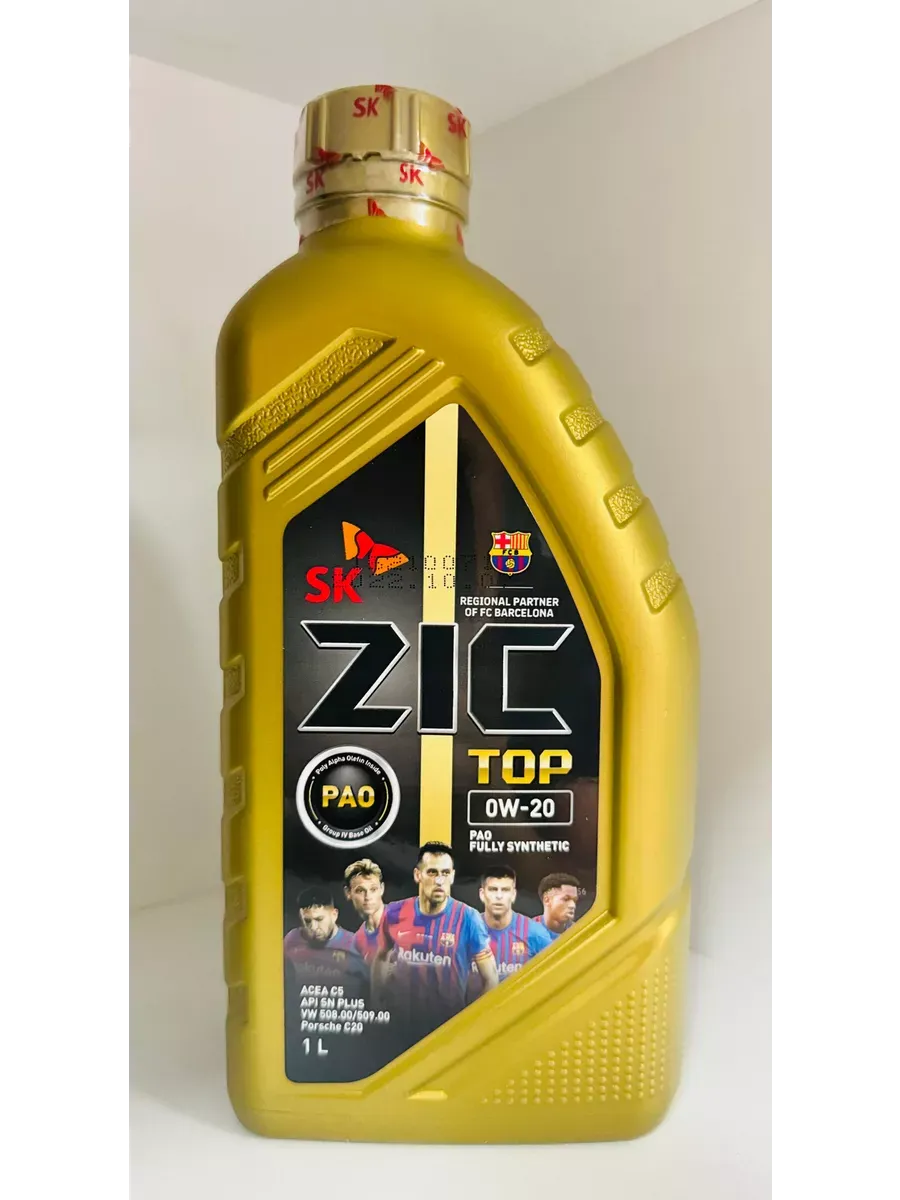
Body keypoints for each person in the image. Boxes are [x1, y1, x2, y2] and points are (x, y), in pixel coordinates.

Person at [372, 841, 498, 1037]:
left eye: (445, 873)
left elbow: (491, 978)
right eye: (432, 872)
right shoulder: (394, 912)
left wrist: (470, 1022)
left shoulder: (468, 918)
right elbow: (381, 956)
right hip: (400, 1031)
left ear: (452, 876)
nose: (439, 881)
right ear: (418, 875)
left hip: (447, 1035)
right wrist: (376, 1001)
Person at [468, 863, 553, 1000]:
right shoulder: (467, 930)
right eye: (493, 890)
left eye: (505, 890)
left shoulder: (535, 932)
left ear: (513, 895)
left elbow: (553, 976)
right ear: (482, 894)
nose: (499, 896)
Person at [283, 884, 366, 988]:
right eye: (307, 921)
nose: (313, 927)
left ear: (334, 915)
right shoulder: (292, 939)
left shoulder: (356, 945)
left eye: (319, 919)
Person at [344, 858, 386, 964]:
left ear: (382, 889)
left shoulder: (401, 917)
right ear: (348, 892)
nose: (368, 897)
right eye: (360, 890)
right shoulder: (357, 941)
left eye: (373, 889)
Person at [535, 872, 581, 938]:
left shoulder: (580, 932)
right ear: (547, 900)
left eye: (574, 900)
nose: (573, 905)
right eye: (566, 899)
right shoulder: (527, 933)